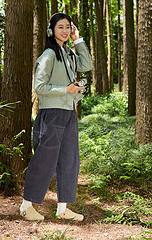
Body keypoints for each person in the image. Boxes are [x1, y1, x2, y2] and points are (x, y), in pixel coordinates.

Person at [19, 13, 93, 221]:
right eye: (60, 27)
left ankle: (63, 209)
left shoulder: (68, 53)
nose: (65, 31)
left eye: (68, 27)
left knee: (70, 160)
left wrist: (78, 39)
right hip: (51, 114)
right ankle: (26, 206)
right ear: (51, 31)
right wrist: (65, 89)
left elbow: (86, 65)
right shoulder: (48, 56)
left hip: (69, 113)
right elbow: (40, 87)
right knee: (44, 160)